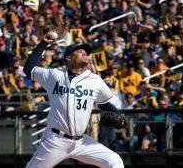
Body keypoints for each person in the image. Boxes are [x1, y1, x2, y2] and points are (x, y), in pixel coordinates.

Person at [23, 32, 125, 168]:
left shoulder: (95, 80)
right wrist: (43, 44)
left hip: (81, 142)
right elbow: (28, 69)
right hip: (55, 140)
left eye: (86, 52)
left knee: (114, 161)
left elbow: (105, 103)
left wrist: (120, 117)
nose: (85, 53)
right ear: (69, 58)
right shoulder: (54, 76)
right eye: (80, 51)